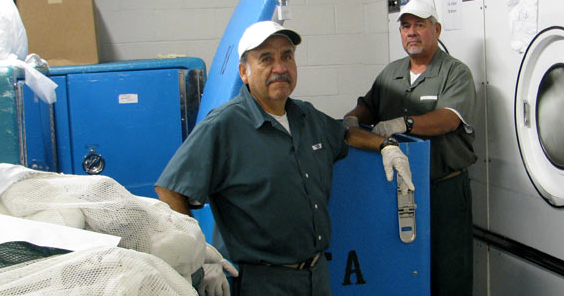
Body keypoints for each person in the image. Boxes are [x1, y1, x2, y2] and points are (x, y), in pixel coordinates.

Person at [155, 20, 414, 296]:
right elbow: (170, 189)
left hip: (316, 274)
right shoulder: (224, 125)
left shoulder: (306, 116)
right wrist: (198, 256)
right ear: (244, 72)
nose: (280, 68)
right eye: (266, 59)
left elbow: (344, 135)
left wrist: (386, 146)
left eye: (286, 56)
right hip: (260, 281)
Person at [343, 0, 477, 296]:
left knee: (449, 270)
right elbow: (369, 104)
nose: (412, 33)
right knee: (403, 267)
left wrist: (406, 123)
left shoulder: (455, 72)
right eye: (405, 26)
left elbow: (449, 118)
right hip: (397, 188)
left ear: (436, 29)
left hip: (443, 188)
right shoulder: (392, 73)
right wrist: (352, 118)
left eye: (419, 24)